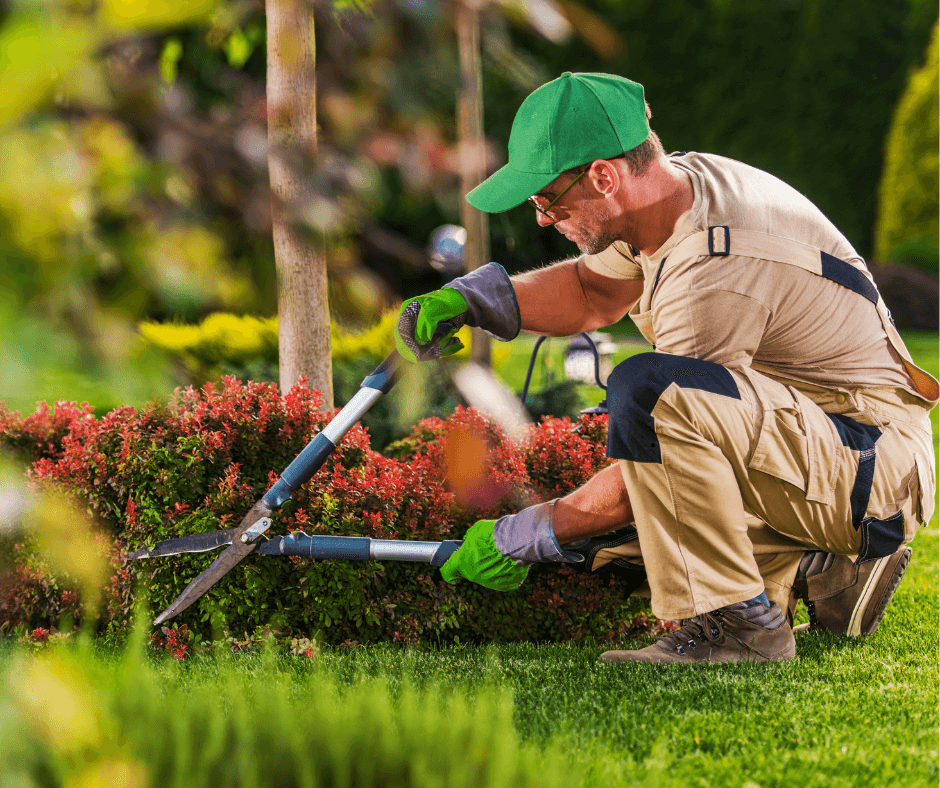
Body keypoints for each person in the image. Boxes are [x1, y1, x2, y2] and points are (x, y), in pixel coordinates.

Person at [395, 72, 938, 664]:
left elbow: (650, 462)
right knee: (616, 547)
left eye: (547, 200)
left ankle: (742, 627)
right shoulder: (670, 193)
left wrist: (522, 535)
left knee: (646, 400)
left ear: (604, 175)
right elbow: (593, 291)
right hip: (826, 443)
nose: (544, 220)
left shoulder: (714, 266)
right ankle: (822, 568)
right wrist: (477, 301)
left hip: (870, 467)